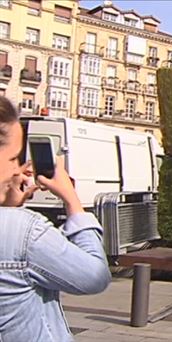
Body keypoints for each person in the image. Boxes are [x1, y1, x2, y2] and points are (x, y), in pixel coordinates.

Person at [0, 96, 111, 341]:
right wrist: (72, 200)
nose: (19, 169)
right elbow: (94, 277)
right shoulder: (23, 231)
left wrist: (8, 205)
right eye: (12, 158)